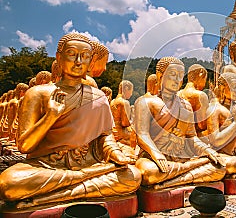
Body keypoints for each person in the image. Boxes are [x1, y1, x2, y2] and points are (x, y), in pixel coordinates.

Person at [0, 33, 141, 208]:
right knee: (9, 183)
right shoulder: (38, 93)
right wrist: (50, 116)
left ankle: (50, 196)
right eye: (72, 54)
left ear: (90, 61)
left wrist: (115, 154)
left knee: (133, 176)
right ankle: (78, 183)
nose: (78, 61)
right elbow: (25, 146)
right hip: (47, 166)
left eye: (85, 56)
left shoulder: (98, 97)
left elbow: (105, 137)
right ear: (59, 57)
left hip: (89, 164)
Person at [134, 57, 225, 189]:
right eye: (173, 75)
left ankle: (171, 181)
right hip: (153, 159)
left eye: (180, 76)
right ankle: (184, 175)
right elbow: (142, 135)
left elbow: (192, 137)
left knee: (219, 168)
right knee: (148, 173)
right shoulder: (146, 102)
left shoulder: (185, 105)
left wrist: (207, 150)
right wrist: (157, 154)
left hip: (179, 160)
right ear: (160, 76)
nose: (177, 80)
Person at [178, 64, 209, 135]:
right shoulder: (200, 95)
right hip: (195, 137)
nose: (204, 84)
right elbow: (202, 125)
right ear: (200, 75)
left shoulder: (178, 94)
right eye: (205, 80)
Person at [110, 80, 135, 147]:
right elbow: (125, 123)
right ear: (126, 89)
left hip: (112, 130)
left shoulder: (112, 101)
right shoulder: (125, 102)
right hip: (121, 133)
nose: (131, 94)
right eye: (131, 91)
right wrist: (133, 116)